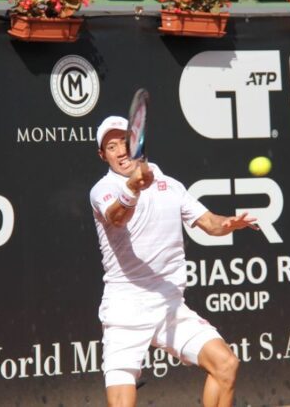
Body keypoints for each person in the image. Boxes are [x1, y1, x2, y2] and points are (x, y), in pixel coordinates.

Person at [90, 115, 259, 407]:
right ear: (102, 155)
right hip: (125, 309)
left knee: (226, 365)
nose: (120, 151)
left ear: (138, 142)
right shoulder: (103, 190)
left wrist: (229, 223)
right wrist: (132, 189)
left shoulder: (171, 186)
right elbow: (116, 216)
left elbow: (208, 222)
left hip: (169, 305)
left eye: (125, 142)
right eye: (111, 146)